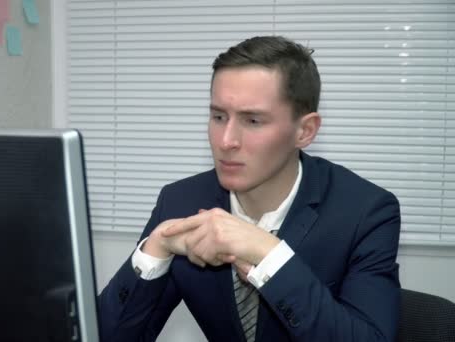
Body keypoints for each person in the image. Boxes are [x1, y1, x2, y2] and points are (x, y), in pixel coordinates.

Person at [98, 35, 401, 342]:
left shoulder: (366, 211)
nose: (226, 140)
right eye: (218, 116)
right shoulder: (180, 201)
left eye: (253, 120)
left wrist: (269, 254)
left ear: (305, 131)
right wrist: (157, 248)